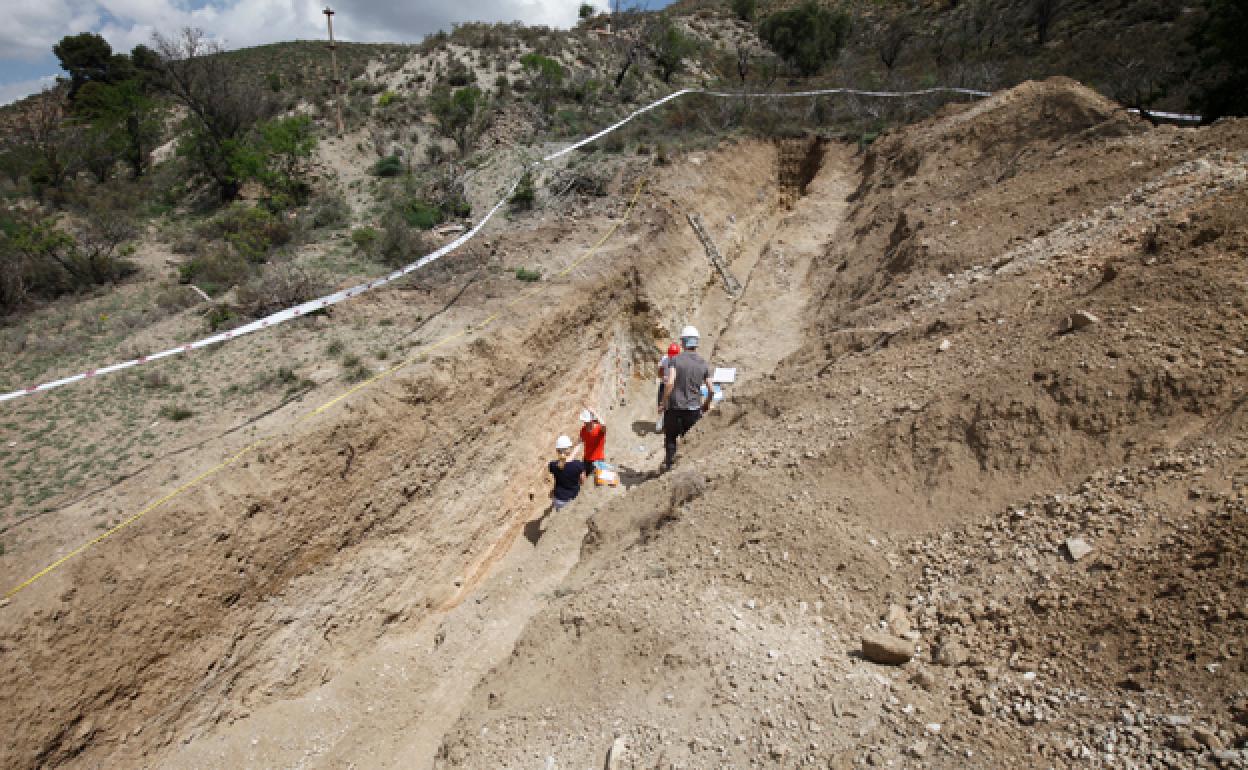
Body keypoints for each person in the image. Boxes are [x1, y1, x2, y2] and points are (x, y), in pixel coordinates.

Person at [659, 325, 713, 471]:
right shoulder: (703, 363)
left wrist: (664, 402)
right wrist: (706, 404)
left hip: (674, 409)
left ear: (683, 342)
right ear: (696, 343)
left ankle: (670, 469)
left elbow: (669, 382)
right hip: (693, 411)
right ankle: (685, 470)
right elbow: (711, 389)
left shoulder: (674, 360)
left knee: (671, 440)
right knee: (689, 443)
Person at [548, 435, 587, 511]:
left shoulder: (552, 465)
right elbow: (583, 481)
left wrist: (578, 446)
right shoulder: (578, 465)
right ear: (569, 449)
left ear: (557, 450)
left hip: (558, 499)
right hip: (570, 500)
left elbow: (565, 463)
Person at [575, 407, 607, 482]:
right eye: (584, 422)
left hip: (598, 460)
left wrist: (594, 412)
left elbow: (604, 424)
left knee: (595, 481)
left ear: (592, 420)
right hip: (586, 459)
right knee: (581, 479)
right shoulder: (583, 430)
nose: (585, 423)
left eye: (587, 422)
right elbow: (579, 444)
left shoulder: (599, 429)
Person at [656, 342, 681, 407]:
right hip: (665, 384)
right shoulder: (664, 359)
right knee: (660, 404)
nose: (672, 358)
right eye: (671, 356)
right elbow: (660, 372)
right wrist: (663, 376)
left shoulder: (680, 361)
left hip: (675, 386)